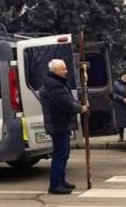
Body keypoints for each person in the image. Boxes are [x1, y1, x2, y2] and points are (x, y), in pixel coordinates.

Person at [40, 59, 88, 195]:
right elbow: (66, 104)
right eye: (63, 69)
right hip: (58, 123)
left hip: (61, 123)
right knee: (60, 155)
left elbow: (68, 100)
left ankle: (61, 180)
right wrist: (80, 108)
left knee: (64, 154)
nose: (66, 71)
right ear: (55, 71)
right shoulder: (53, 85)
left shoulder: (57, 83)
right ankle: (55, 184)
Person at [113, 72, 126, 142]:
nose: (125, 78)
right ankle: (121, 137)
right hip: (120, 105)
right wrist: (123, 99)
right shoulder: (117, 84)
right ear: (121, 77)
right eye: (124, 76)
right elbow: (115, 94)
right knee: (121, 122)